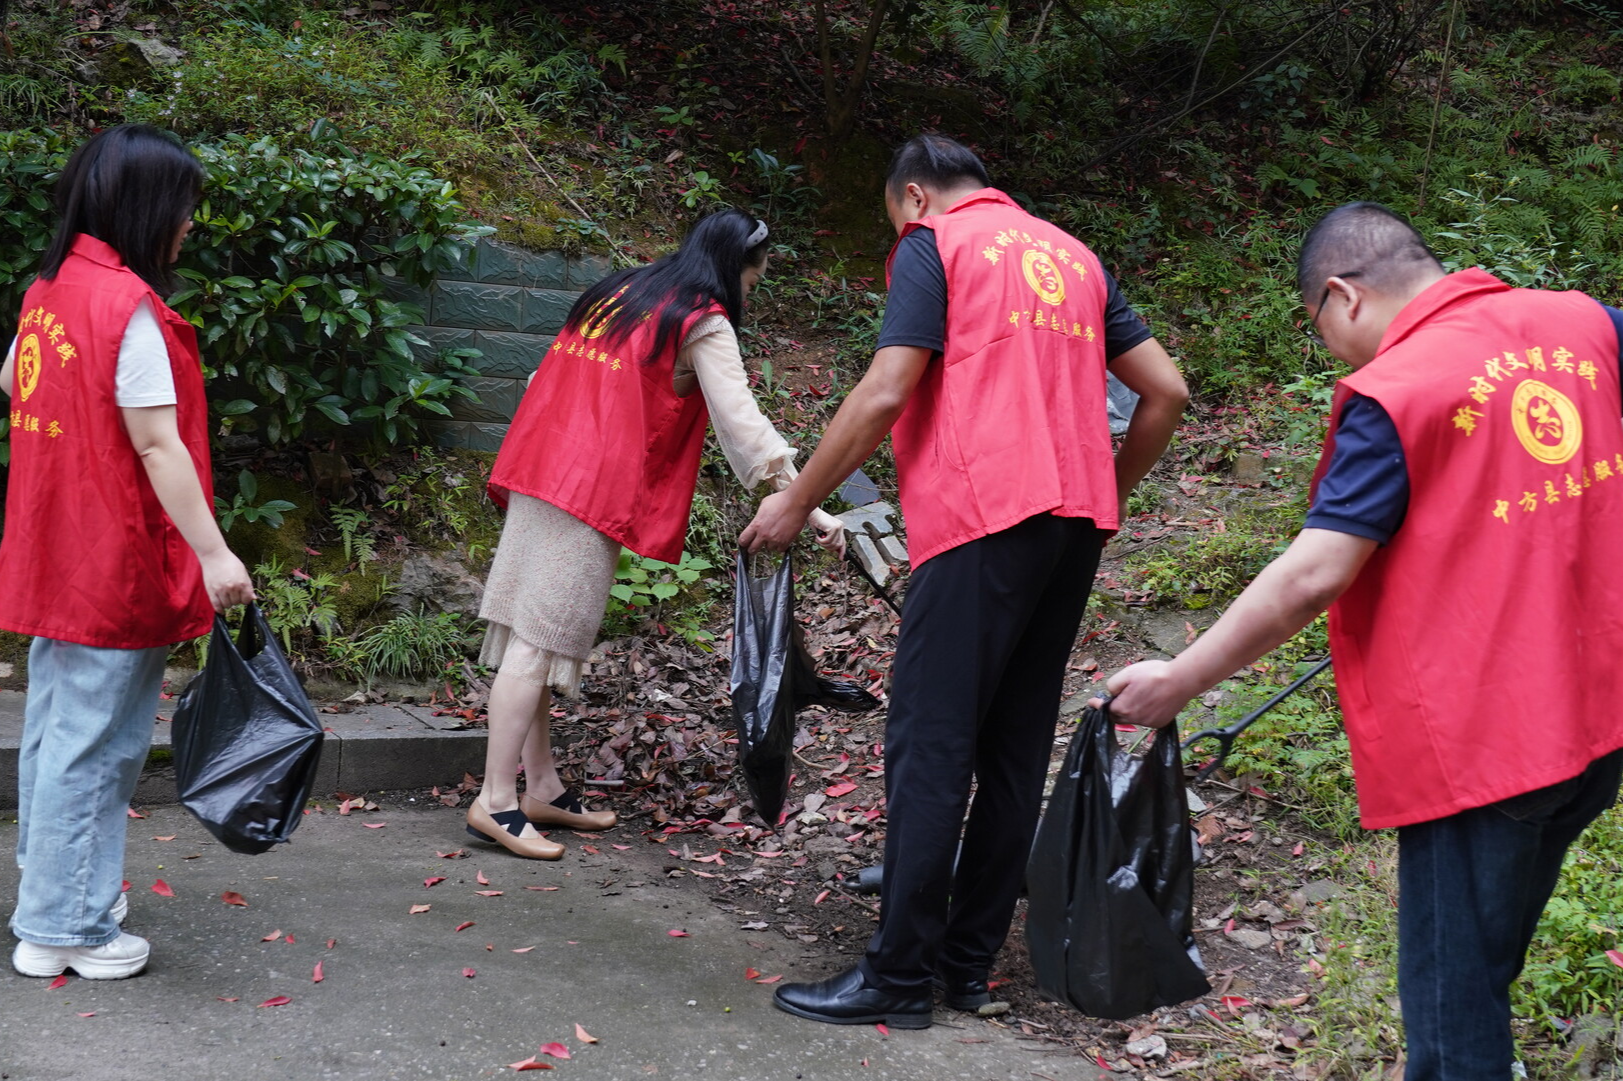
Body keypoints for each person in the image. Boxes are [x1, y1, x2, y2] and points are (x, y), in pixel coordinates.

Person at [1101, 202, 1623, 1080]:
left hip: (1486, 749)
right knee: (1487, 964)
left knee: (1452, 1011)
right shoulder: (1583, 323)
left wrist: (1180, 677)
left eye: (1319, 330)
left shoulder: (1400, 388)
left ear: (1342, 295)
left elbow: (1314, 572)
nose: (1333, 351)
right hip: (1598, 723)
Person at [740, 135, 1190, 1028]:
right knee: (1013, 749)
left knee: (931, 747)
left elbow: (883, 390)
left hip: (983, 518)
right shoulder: (1073, 256)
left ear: (913, 197)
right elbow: (1165, 391)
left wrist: (796, 499)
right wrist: (1107, 490)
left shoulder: (933, 244)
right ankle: (967, 966)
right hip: (1071, 530)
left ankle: (898, 977)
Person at [471, 208, 846, 859]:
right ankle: (496, 800)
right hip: (587, 489)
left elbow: (544, 377)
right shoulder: (700, 317)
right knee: (538, 643)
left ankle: (541, 787)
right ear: (736, 268)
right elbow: (743, 426)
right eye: (753, 281)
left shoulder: (623, 292)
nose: (749, 293)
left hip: (539, 464)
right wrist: (808, 505)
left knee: (530, 635)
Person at [0, 124, 255, 981]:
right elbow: (158, 446)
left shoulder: (51, 289)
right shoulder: (128, 308)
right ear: (145, 208)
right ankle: (65, 925)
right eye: (182, 209)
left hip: (52, 549)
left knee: (56, 729)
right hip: (111, 558)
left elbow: (10, 380)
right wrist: (215, 556)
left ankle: (53, 887)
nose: (188, 225)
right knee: (96, 744)